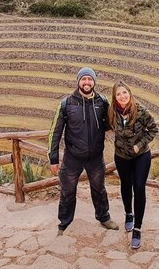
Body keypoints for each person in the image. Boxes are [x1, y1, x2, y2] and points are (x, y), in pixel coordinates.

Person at [48, 66, 119, 234]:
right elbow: (55, 132)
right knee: (67, 191)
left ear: (94, 81)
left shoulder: (102, 101)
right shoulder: (66, 103)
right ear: (78, 81)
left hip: (95, 156)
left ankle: (104, 217)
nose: (87, 82)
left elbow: (111, 124)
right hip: (73, 156)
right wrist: (53, 158)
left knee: (99, 188)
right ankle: (64, 223)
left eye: (90, 79)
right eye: (84, 79)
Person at [108, 81, 158, 249]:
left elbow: (153, 130)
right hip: (121, 156)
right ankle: (128, 213)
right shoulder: (112, 112)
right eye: (118, 94)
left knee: (139, 187)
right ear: (115, 98)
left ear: (129, 93)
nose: (122, 96)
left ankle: (137, 228)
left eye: (124, 93)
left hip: (141, 155)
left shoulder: (141, 111)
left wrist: (139, 144)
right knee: (125, 185)